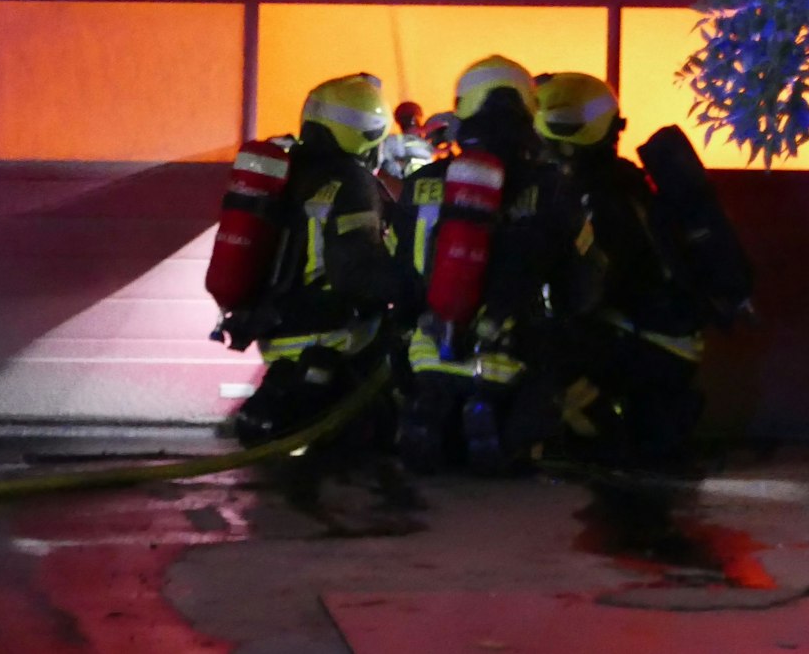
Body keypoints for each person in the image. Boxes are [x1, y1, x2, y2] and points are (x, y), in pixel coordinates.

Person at [395, 56, 597, 474]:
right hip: (513, 362)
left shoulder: (419, 184)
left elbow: (397, 277)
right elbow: (582, 291)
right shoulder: (553, 187)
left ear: (462, 107)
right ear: (529, 109)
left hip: (426, 360)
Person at [226, 73, 409, 448]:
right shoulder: (351, 182)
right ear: (368, 132)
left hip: (276, 328)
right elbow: (356, 272)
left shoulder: (290, 172)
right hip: (330, 331)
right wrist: (413, 286)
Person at [533, 72, 705, 469]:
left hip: (647, 340)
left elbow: (592, 290)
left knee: (537, 344)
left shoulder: (595, 196)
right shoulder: (622, 180)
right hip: (665, 335)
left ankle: (598, 433)